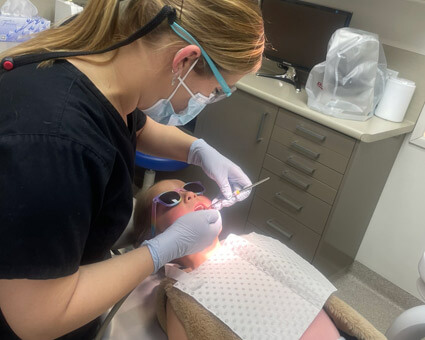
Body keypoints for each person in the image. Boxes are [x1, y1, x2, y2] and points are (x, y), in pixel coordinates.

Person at [0, 0, 265, 339]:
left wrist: (197, 150)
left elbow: (135, 127)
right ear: (185, 60)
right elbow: (37, 318)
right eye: (214, 92)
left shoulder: (103, 74)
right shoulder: (55, 141)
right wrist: (160, 251)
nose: (206, 101)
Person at [134, 179, 344, 340]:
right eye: (171, 198)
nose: (190, 194)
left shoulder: (252, 244)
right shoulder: (182, 296)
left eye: (191, 188)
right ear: (157, 237)